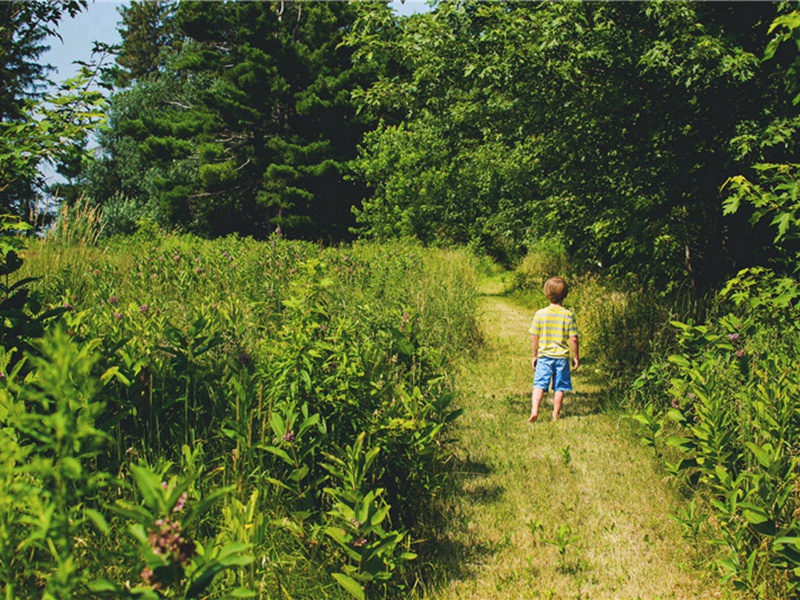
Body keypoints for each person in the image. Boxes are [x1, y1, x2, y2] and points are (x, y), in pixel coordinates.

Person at [528, 276, 579, 422]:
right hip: (562, 358)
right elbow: (574, 338)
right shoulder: (568, 315)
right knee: (559, 387)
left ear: (546, 294)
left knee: (539, 384)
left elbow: (534, 337)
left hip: (544, 356)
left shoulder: (540, 314)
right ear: (566, 295)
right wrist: (575, 356)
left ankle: (534, 410)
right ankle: (555, 414)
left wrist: (535, 355)